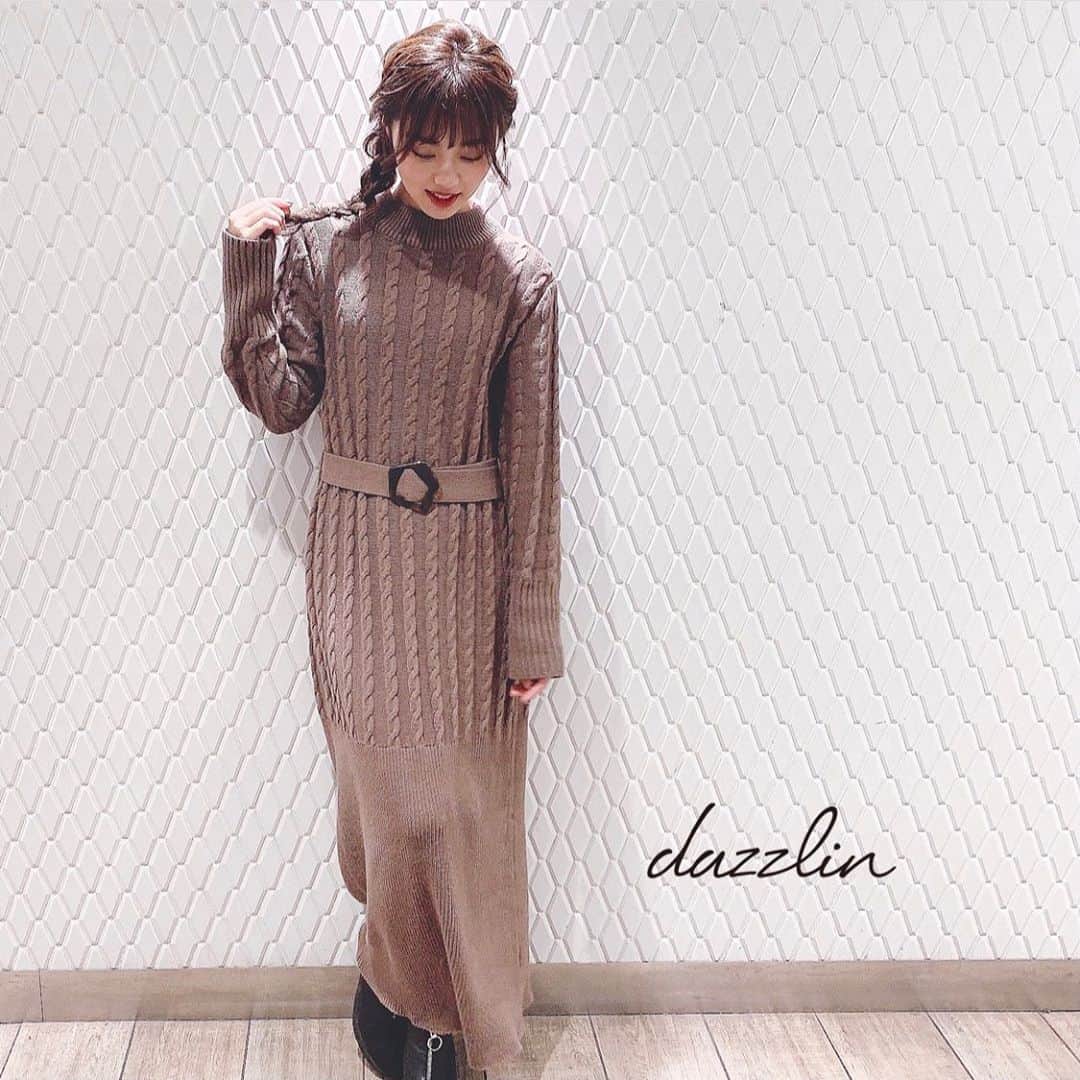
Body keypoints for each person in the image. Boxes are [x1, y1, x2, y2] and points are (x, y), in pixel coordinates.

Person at [219, 18, 565, 1080]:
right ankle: (401, 995)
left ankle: (442, 1020)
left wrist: (531, 629)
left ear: (495, 148)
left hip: (467, 579)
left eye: (471, 151)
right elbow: (281, 403)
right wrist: (249, 262)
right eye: (427, 147)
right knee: (389, 813)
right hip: (358, 568)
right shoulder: (334, 250)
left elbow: (534, 465)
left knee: (462, 815)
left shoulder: (519, 279)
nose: (448, 174)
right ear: (393, 136)